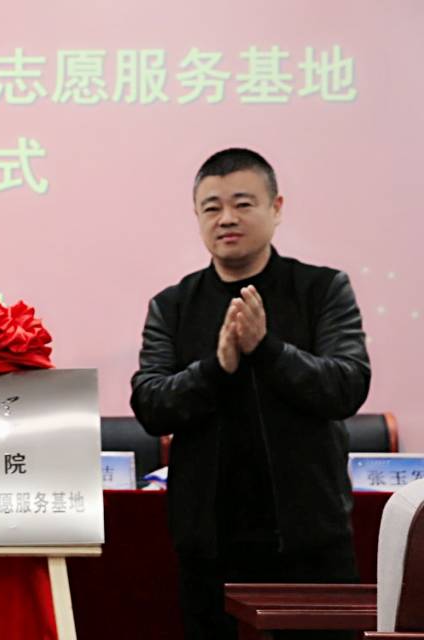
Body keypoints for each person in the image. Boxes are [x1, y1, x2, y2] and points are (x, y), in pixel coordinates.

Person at [130, 148, 371, 640]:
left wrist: (268, 349)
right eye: (212, 207)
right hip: (208, 545)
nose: (227, 218)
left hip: (310, 540)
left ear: (276, 208)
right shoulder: (173, 305)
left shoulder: (321, 289)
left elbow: (347, 385)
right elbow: (151, 404)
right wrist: (216, 369)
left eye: (243, 204)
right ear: (197, 216)